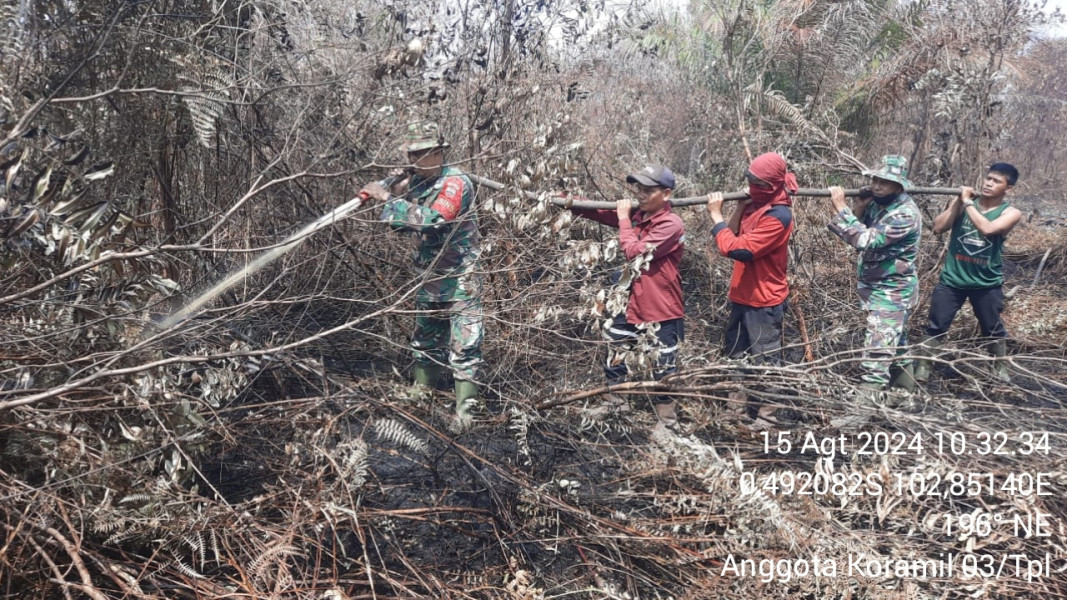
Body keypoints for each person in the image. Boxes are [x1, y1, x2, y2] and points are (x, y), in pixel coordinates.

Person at [360, 121, 483, 429]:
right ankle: (422, 391)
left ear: (439, 153)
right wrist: (396, 191)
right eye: (413, 155)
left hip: (459, 277)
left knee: (464, 345)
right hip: (429, 276)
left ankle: (465, 413)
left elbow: (433, 221)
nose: (418, 161)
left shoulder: (455, 182)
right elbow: (400, 224)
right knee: (425, 339)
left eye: (425, 154)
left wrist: (389, 201)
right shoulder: (417, 182)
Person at [570, 165, 685, 429]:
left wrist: (624, 219)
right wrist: (571, 203)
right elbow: (600, 211)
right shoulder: (639, 216)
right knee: (616, 347)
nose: (640, 195)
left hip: (659, 304)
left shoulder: (671, 224)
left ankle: (667, 423)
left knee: (663, 362)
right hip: (628, 300)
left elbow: (635, 252)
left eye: (648, 190)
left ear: (666, 194)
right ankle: (616, 405)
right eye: (639, 189)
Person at [914, 163, 1022, 383]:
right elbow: (937, 227)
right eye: (988, 178)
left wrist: (967, 202)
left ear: (1008, 188)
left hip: (986, 283)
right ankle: (924, 367)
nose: (989, 183)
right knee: (936, 325)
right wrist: (957, 201)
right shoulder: (964, 205)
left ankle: (998, 368)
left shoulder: (1011, 213)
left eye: (996, 181)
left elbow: (988, 229)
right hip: (952, 280)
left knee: (992, 328)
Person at [827, 155, 922, 395]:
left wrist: (841, 207)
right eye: (876, 180)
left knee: (878, 351)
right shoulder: (878, 203)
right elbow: (855, 225)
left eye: (885, 183)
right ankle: (902, 396)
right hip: (878, 287)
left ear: (899, 186)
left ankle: (863, 408)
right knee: (897, 344)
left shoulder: (904, 214)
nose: (878, 186)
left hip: (892, 292)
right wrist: (859, 205)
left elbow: (864, 239)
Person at [707, 152, 795, 365]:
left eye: (759, 184)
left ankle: (766, 398)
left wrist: (716, 216)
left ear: (772, 186)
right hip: (742, 297)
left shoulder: (778, 216)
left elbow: (739, 251)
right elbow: (733, 234)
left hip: (763, 303)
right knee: (736, 358)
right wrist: (740, 207)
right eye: (750, 181)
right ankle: (737, 395)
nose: (753, 187)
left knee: (765, 362)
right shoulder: (757, 204)